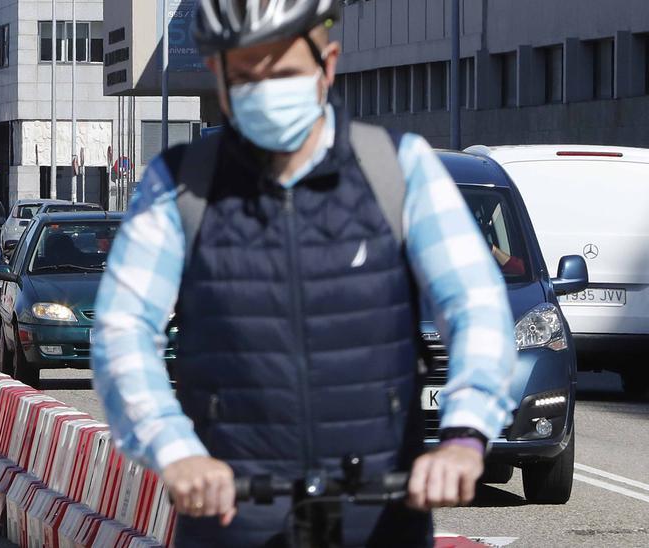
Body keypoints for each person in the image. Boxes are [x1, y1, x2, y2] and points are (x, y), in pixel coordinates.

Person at [90, 2, 516, 546]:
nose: (265, 89)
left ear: (327, 64)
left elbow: (475, 305)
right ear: (219, 81)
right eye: (245, 77)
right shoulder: (179, 186)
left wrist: (464, 435)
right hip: (232, 516)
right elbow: (122, 329)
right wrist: (175, 451)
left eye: (284, 71)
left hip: (379, 516)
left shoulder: (399, 168)